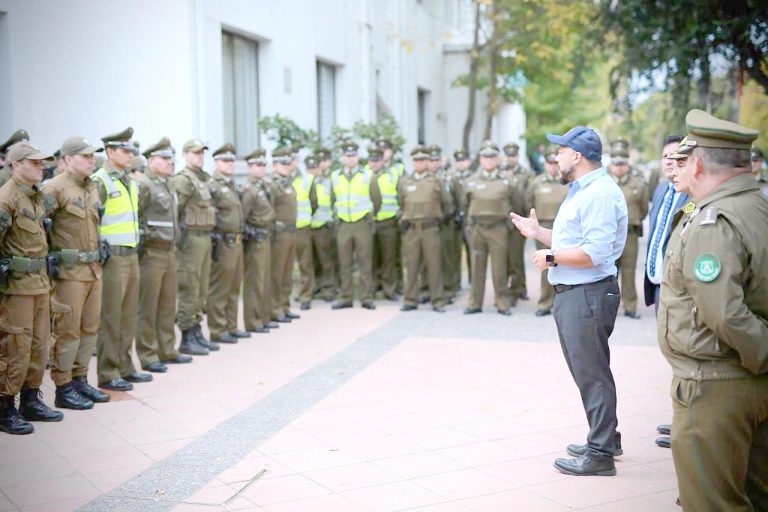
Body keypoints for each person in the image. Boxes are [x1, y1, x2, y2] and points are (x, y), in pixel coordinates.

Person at [658, 109, 767, 511]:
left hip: (715, 385)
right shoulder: (755, 204)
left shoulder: (713, 221)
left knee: (712, 502)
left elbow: (725, 314)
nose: (677, 169)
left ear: (699, 164)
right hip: (743, 382)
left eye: (682, 160)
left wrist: (764, 355)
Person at [511, 126, 628, 476]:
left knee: (592, 373)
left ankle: (601, 453)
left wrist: (551, 257)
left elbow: (594, 252)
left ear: (576, 156)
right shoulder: (583, 189)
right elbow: (572, 240)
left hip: (587, 293)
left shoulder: (599, 194)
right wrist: (539, 235)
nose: (555, 157)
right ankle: (607, 437)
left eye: (560, 151)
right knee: (590, 370)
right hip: (577, 293)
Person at [42, 136, 110, 410]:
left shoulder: (91, 186)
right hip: (68, 273)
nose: (91, 161)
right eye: (85, 156)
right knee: (67, 331)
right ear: (68, 159)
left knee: (90, 328)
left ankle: (80, 379)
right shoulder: (53, 188)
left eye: (92, 156)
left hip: (93, 269)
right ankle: (63, 385)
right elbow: (39, 229)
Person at [0, 141, 63, 434]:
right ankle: (4, 406)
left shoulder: (35, 197)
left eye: (42, 163)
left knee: (39, 345)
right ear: (16, 164)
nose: (41, 167)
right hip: (17, 287)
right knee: (16, 347)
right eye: (35, 162)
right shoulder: (7, 198)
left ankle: (30, 398)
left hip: (39, 282)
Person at [92, 127, 152, 391]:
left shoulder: (128, 180)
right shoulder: (100, 180)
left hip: (131, 255)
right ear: (110, 151)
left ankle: (126, 366)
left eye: (131, 151)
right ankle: (108, 371)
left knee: (129, 315)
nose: (130, 155)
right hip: (112, 259)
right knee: (111, 317)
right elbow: (92, 222)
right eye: (125, 151)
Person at [642, 134, 687, 450]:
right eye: (665, 156)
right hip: (659, 286)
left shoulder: (695, 194)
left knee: (685, 356)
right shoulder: (661, 189)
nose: (669, 160)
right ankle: (680, 418)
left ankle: (686, 425)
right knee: (672, 355)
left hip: (679, 289)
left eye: (676, 155)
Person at [135, 137, 193, 372]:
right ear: (151, 160)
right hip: (152, 252)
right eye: (165, 158)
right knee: (148, 306)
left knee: (168, 304)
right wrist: (146, 237)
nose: (170, 162)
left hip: (170, 252)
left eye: (171, 158)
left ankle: (167, 349)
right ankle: (148, 355)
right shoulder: (145, 185)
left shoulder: (167, 184)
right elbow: (136, 217)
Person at [462, 141, 523, 316]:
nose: (488, 160)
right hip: (478, 228)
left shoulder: (507, 181)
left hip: (498, 228)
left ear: (497, 159)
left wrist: (509, 226)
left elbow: (517, 204)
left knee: (500, 267)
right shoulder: (471, 181)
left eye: (492, 157)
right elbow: (464, 204)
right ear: (480, 159)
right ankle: (475, 303)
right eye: (485, 157)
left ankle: (502, 302)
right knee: (476, 267)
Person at [172, 138, 217, 355]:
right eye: (195, 153)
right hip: (189, 239)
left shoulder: (204, 178)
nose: (200, 156)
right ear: (186, 155)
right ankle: (187, 334)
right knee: (189, 287)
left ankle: (197, 329)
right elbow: (175, 211)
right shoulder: (183, 180)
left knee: (201, 287)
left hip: (204, 237)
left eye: (202, 153)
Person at [330, 141, 381, 310]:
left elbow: (377, 200)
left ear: (357, 157)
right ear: (342, 158)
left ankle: (366, 297)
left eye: (353, 156)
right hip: (344, 223)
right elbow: (332, 200)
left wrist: (369, 216)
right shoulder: (335, 176)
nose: (350, 159)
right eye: (347, 156)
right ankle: (346, 297)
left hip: (362, 224)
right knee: (344, 263)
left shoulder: (367, 176)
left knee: (365, 261)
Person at [398, 145, 450, 312]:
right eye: (416, 160)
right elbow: (401, 203)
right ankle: (410, 299)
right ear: (412, 162)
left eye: (423, 160)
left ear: (428, 161)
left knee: (434, 265)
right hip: (412, 229)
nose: (420, 163)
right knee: (411, 265)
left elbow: (446, 203)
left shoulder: (437, 180)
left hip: (430, 228)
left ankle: (438, 301)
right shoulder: (405, 181)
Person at [207, 143, 248, 344]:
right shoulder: (212, 185)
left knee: (234, 287)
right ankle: (218, 328)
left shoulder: (230, 184)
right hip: (223, 242)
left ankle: (231, 326)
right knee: (220, 288)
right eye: (225, 160)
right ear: (216, 163)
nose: (230, 164)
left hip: (237, 241)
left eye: (232, 160)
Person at [526, 146, 568, 317]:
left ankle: (563, 301)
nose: (553, 166)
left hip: (564, 230)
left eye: (555, 163)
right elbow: (527, 202)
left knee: (565, 263)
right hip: (543, 228)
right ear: (545, 164)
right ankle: (545, 302)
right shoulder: (536, 183)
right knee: (546, 264)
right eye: (550, 163)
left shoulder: (568, 182)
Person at [608, 143, 648, 319]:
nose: (619, 167)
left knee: (629, 270)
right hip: (608, 234)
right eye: (616, 164)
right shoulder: (604, 183)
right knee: (609, 271)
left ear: (627, 164)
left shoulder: (637, 183)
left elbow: (644, 208)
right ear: (610, 165)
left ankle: (630, 306)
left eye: (622, 164)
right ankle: (608, 304)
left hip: (630, 234)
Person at [240, 149, 275, 334]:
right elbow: (243, 218)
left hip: (266, 236)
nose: (262, 169)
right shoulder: (248, 189)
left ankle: (263, 316)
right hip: (256, 239)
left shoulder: (263, 186)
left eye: (263, 165)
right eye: (258, 165)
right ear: (249, 167)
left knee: (265, 278)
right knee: (255, 280)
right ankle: (253, 321)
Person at [270, 146, 301, 322]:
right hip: (279, 234)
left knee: (287, 273)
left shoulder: (287, 182)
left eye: (288, 163)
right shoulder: (273, 184)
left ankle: (284, 305)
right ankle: (275, 309)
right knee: (277, 273)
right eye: (283, 163)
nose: (287, 166)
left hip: (291, 232)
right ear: (274, 165)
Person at [501, 142, 531, 303]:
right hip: (500, 221)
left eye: (513, 155)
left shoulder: (525, 174)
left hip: (518, 219)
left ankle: (520, 288)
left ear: (517, 156)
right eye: (508, 155)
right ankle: (504, 288)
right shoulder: (498, 172)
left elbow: (527, 197)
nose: (511, 159)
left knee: (516, 257)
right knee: (502, 257)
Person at [370, 146, 400, 301]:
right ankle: (372, 288)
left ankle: (389, 289)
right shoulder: (363, 175)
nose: (374, 164)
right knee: (371, 258)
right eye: (372, 161)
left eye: (377, 160)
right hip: (369, 223)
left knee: (389, 258)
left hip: (388, 221)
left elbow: (400, 195)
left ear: (383, 161)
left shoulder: (392, 174)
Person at [311, 147, 338, 301]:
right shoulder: (307, 181)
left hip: (325, 225)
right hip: (309, 225)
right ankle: (315, 286)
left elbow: (335, 200)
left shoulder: (331, 180)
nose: (320, 165)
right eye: (317, 162)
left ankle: (329, 289)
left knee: (326, 259)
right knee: (312, 260)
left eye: (323, 161)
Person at [293, 154, 317, 310]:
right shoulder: (278, 180)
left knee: (305, 263)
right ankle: (283, 298)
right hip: (284, 229)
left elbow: (314, 202)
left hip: (302, 227)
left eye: (293, 160)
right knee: (282, 266)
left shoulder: (307, 179)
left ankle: (305, 296)